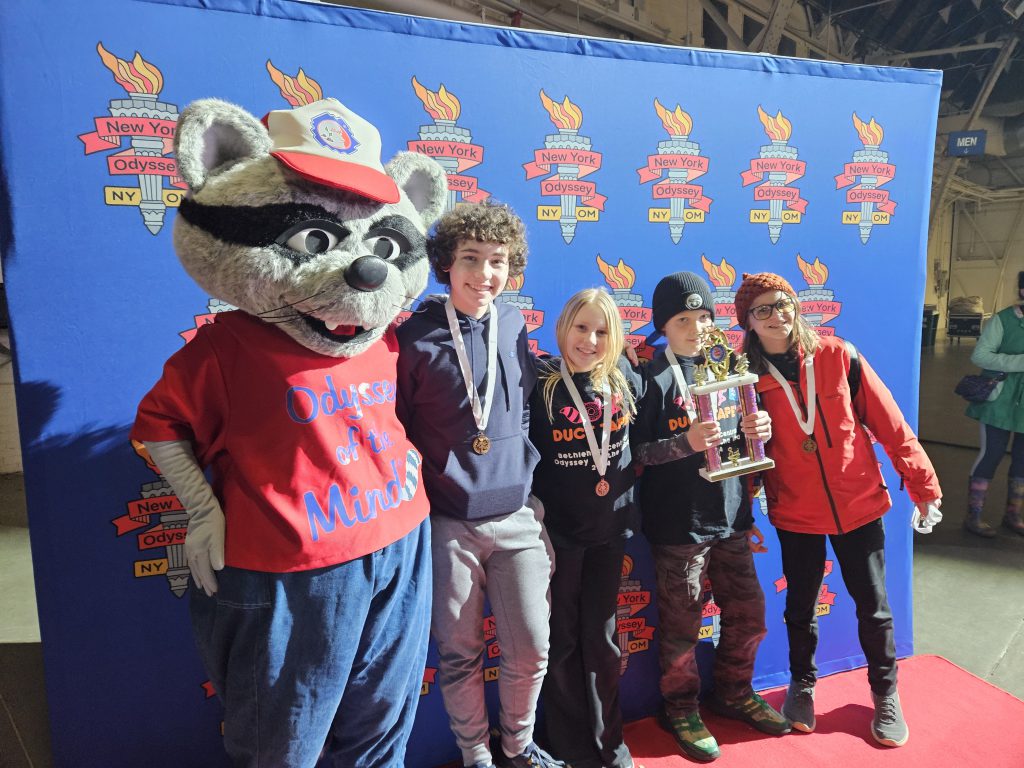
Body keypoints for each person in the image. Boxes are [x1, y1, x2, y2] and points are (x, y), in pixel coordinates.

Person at [735, 272, 942, 748]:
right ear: (747, 320)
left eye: (782, 303)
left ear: (795, 305)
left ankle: (885, 693)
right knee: (800, 608)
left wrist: (922, 482)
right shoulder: (745, 375)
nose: (776, 315)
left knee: (874, 607)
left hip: (859, 504)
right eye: (762, 309)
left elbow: (891, 423)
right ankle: (802, 685)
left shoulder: (837, 356)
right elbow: (740, 453)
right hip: (795, 511)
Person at [396, 202, 563, 768]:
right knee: (461, 653)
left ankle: (518, 748)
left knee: (532, 649)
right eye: (471, 259)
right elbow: (395, 431)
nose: (485, 274)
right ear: (447, 264)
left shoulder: (514, 324)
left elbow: (520, 414)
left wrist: (533, 501)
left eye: (498, 261)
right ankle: (476, 756)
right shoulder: (413, 338)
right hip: (447, 523)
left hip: (516, 516)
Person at [631, 272, 789, 763]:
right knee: (683, 628)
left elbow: (746, 441)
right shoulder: (648, 377)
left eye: (703, 317)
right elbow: (632, 456)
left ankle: (734, 692)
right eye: (683, 319)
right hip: (679, 528)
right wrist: (685, 444)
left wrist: (758, 427)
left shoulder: (728, 367)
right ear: (663, 326)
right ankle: (680, 708)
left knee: (749, 616)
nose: (696, 328)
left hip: (732, 519)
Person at [528, 287, 642, 768]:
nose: (590, 340)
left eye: (601, 331)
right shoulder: (539, 382)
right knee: (561, 640)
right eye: (581, 327)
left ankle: (608, 742)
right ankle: (564, 745)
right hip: (558, 538)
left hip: (608, 532)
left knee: (603, 638)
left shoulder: (624, 382)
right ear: (562, 327)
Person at [963, 270, 1024, 538]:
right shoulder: (1003, 320)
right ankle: (973, 516)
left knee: (1023, 461)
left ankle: (1014, 514)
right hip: (999, 401)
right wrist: (1019, 362)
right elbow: (980, 356)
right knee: (992, 454)